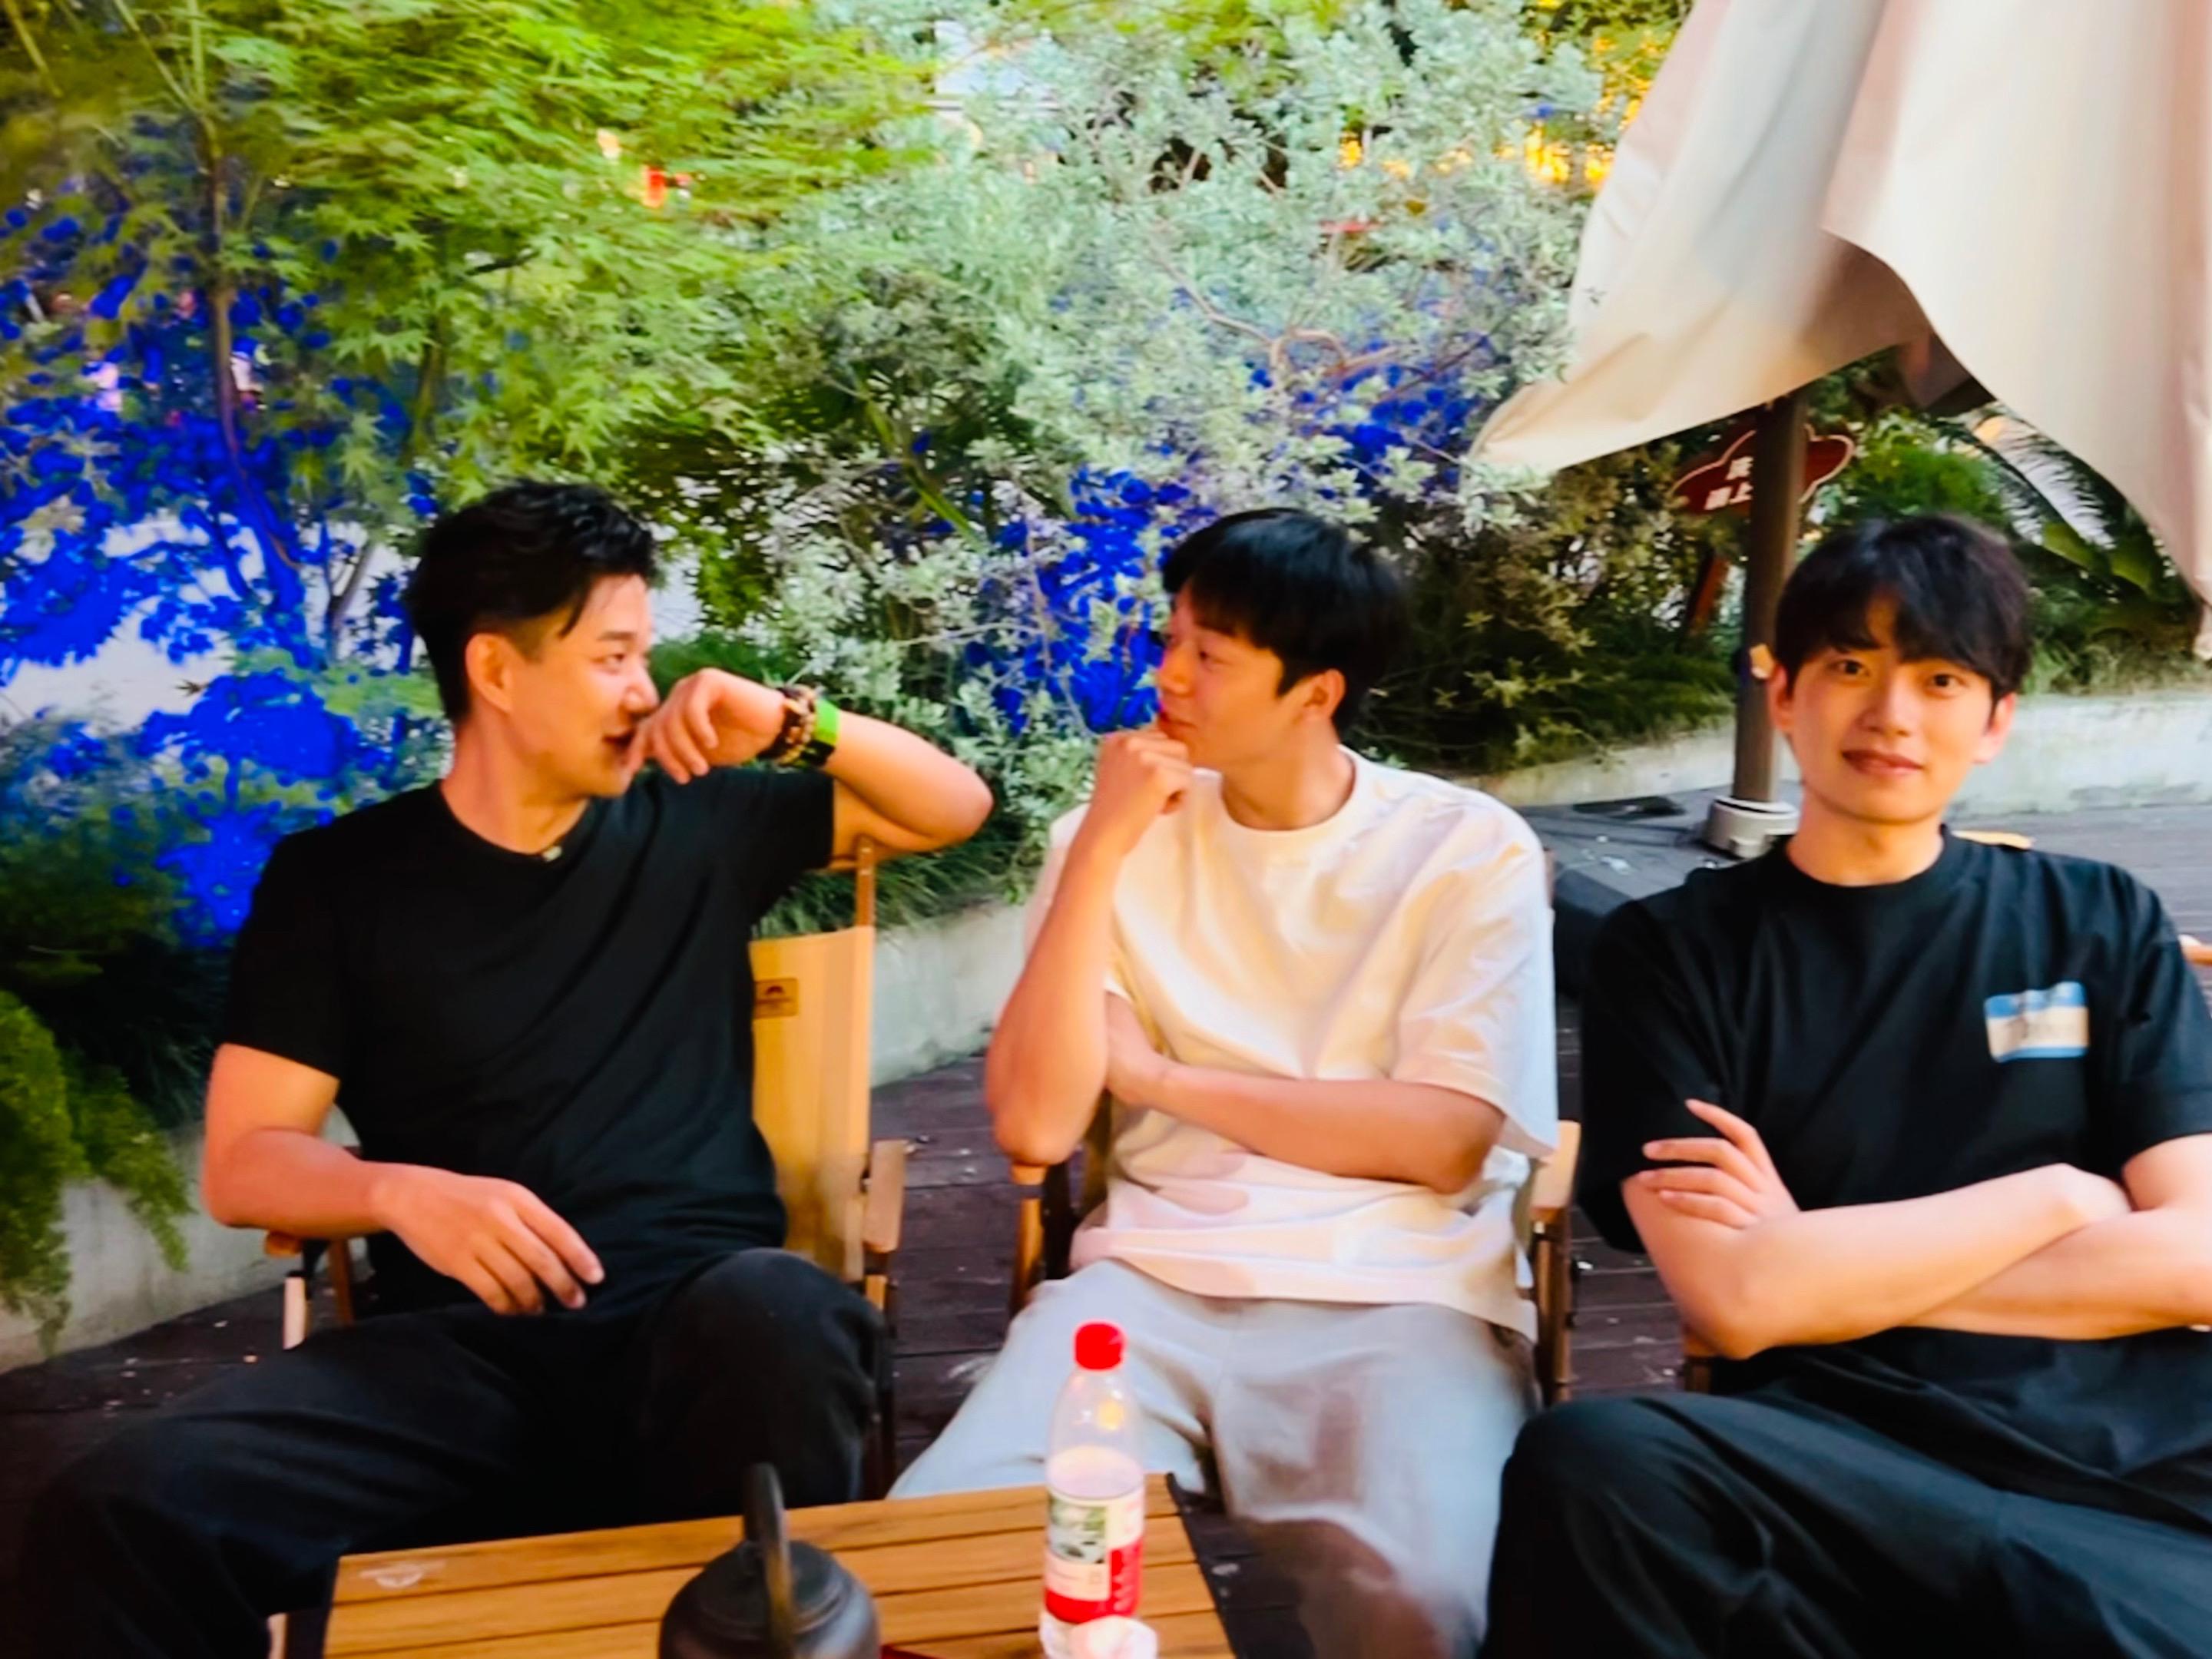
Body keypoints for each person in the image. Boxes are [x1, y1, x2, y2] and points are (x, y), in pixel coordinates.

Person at [21, 482, 994, 1659]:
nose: (644, 689)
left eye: (645, 654)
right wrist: (398, 1192)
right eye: (613, 656)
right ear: (495, 669)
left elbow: (956, 807)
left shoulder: (699, 823)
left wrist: (793, 722)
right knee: (110, 1515)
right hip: (455, 1360)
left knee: (784, 1312)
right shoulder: (337, 883)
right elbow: (244, 1164)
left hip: (696, 1330)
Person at [1485, 515, 2212, 1657]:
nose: (1893, 714)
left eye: (1940, 678)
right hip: (1841, 1468)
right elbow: (1737, 1300)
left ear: (1996, 720)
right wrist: (2060, 1198)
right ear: (1785, 694)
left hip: (2139, 1477)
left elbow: (2194, 1256)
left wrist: (1816, 1262)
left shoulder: (2099, 918)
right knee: (1596, 1466)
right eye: (1852, 667)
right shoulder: (1673, 955)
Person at [896, 508, 1558, 1658]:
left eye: (1210, 655)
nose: (1169, 676)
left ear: (1317, 693)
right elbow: (1036, 1124)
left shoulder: (1464, 849)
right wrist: (1098, 852)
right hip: (1144, 1290)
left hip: (1403, 1299)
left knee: (1425, 1597)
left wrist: (1160, 1076)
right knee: (933, 1556)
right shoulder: (1110, 838)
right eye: (1171, 641)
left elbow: (1445, 1140)